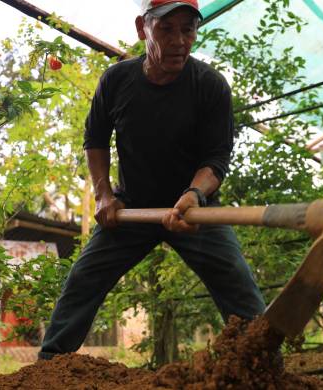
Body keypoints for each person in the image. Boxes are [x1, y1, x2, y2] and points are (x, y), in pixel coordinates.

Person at [38, 0, 266, 360]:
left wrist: (194, 194)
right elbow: (95, 139)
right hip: (132, 210)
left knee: (240, 290)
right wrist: (103, 195)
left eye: (188, 29)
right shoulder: (116, 80)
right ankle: (46, 371)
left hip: (193, 211)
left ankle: (264, 366)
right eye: (167, 29)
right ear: (142, 28)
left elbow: (217, 158)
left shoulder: (210, 86)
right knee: (83, 282)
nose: (179, 40)